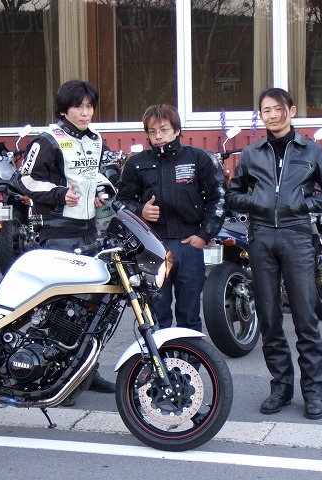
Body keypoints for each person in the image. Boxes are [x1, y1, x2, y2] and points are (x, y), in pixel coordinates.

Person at [225, 87, 322, 420]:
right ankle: (280, 387)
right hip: (262, 237)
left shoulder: (312, 151)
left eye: (278, 109)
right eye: (265, 110)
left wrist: (303, 204)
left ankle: (313, 393)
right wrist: (257, 202)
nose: (272, 115)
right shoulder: (252, 153)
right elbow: (233, 195)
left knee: (306, 319)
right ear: (261, 116)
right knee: (269, 318)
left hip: (297, 237)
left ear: (291, 111)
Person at [17, 79, 115, 402]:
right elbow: (25, 179)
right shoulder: (48, 140)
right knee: (63, 308)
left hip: (88, 230)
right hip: (57, 232)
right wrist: (60, 194)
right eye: (78, 107)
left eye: (89, 106)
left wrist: (100, 194)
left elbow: (92, 176)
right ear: (63, 109)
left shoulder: (95, 139)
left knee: (90, 306)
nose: (85, 113)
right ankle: (58, 379)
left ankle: (87, 371)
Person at [116, 104, 226, 332]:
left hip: (190, 244)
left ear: (177, 130)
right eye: (152, 131)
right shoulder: (136, 164)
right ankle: (161, 356)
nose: (158, 136)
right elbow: (121, 202)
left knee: (189, 316)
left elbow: (219, 198)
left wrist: (204, 236)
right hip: (152, 247)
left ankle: (190, 356)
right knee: (157, 316)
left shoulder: (198, 159)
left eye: (164, 129)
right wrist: (140, 211)